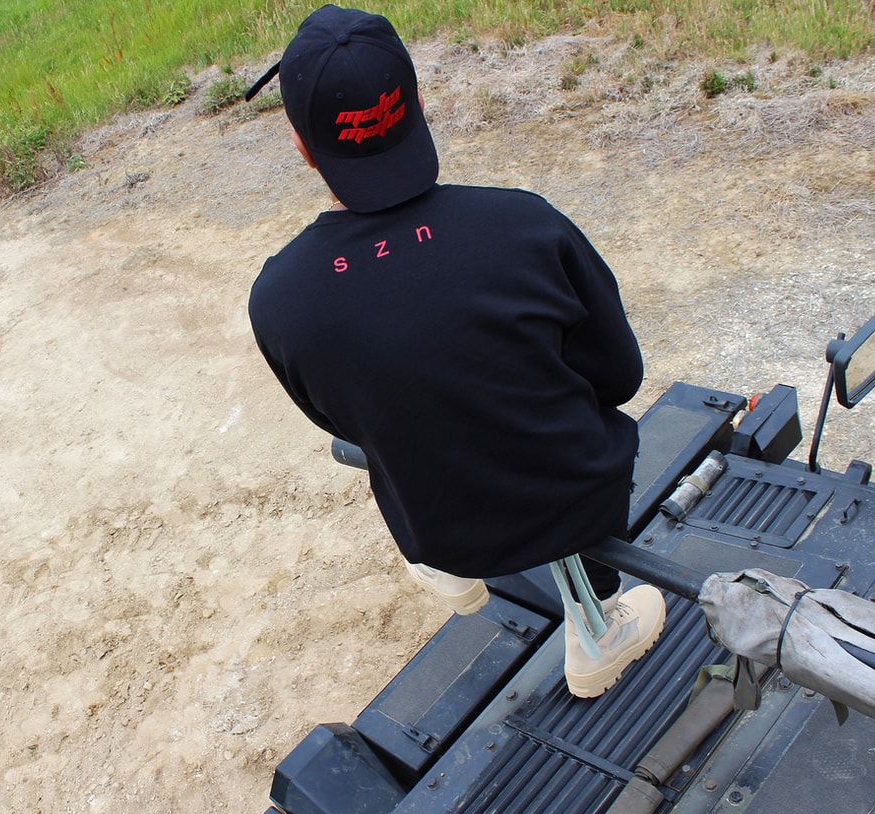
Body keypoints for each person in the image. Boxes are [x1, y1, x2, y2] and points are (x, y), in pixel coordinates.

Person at [244, 5, 665, 698]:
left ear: (302, 145)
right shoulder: (526, 225)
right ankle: (597, 630)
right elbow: (618, 375)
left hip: (435, 520)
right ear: (414, 105)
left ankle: (451, 570)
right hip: (573, 501)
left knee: (403, 427)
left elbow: (341, 421)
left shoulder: (280, 297)